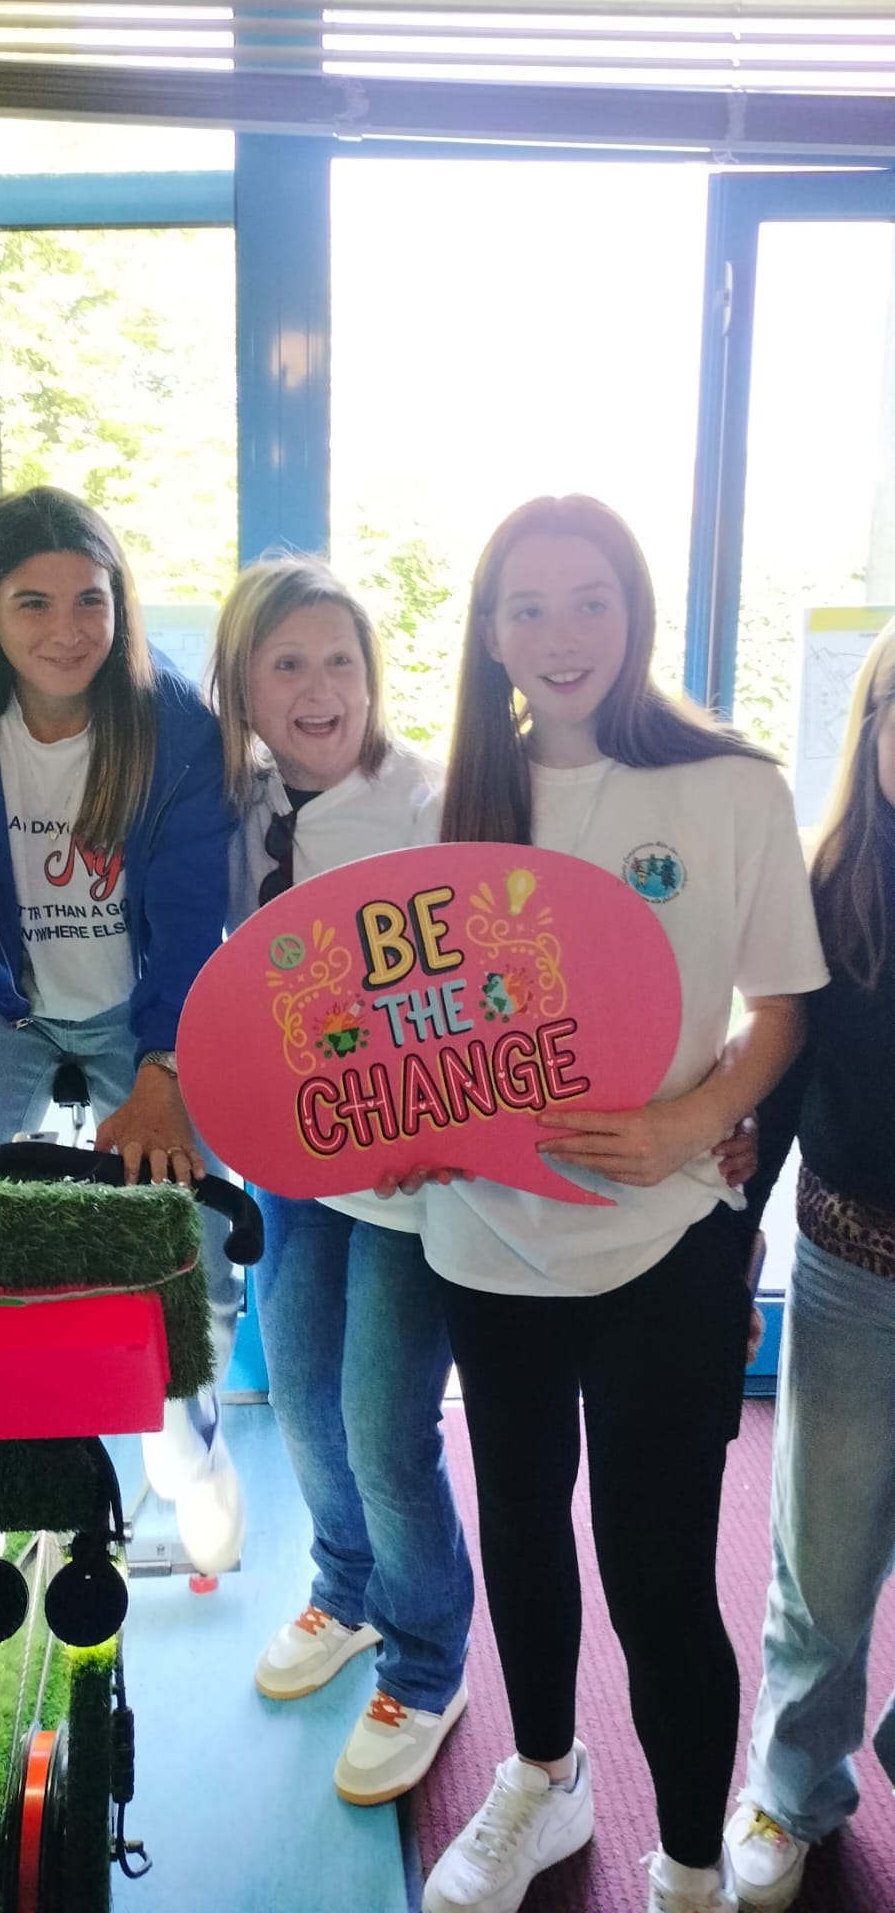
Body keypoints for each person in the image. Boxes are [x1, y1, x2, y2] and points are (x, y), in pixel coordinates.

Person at [409, 495, 827, 1913]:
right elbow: (391, 1027)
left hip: (663, 1241)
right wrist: (402, 1132)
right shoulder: (443, 804)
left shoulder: (730, 786)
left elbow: (783, 1005)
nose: (559, 632)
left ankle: (692, 1868)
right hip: (483, 1240)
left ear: (635, 611)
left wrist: (690, 1123)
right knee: (520, 1526)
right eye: (524, 606)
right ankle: (544, 1776)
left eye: (589, 598)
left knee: (657, 1574)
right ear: (488, 634)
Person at [0, 485, 241, 1646]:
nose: (68, 629)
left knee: (197, 1223)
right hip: (5, 1006)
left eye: (90, 600)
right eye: (33, 603)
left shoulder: (174, 728)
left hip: (138, 1008)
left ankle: (184, 1437)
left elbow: (189, 914)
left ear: (121, 602)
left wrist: (164, 1067)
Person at [215, 554, 475, 1805]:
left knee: (384, 1423)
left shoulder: (431, 800)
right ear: (242, 686)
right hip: (291, 1159)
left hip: (414, 1176)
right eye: (287, 664)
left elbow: (487, 984)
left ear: (373, 675)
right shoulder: (233, 805)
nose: (319, 688)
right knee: (303, 1395)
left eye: (340, 660)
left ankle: (426, 1662)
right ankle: (347, 1588)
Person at [724, 617, 895, 1911]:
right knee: (821, 1572)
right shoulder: (831, 881)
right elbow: (774, 1093)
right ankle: (791, 1788)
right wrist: (732, 1257)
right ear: (872, 729)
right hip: (848, 1277)